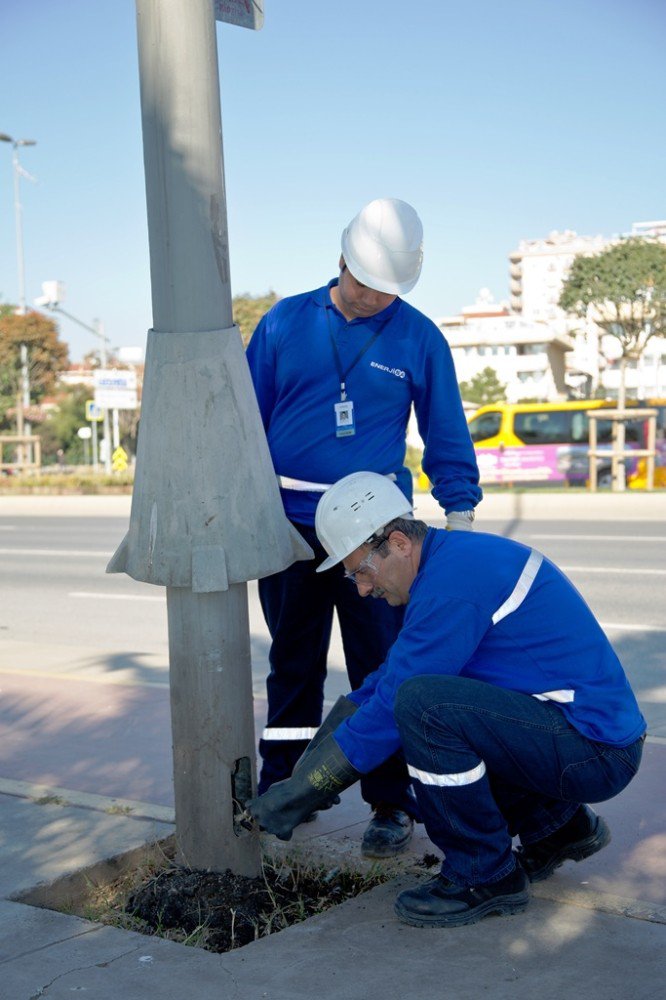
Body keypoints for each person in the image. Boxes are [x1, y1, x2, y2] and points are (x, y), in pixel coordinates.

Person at [247, 471, 647, 928]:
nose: (361, 589)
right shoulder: (450, 564)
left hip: (593, 752)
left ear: (397, 543)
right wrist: (302, 777)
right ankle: (559, 829)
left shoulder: (450, 585)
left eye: (361, 572)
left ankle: (484, 874)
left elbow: (396, 701)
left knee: (424, 709)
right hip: (578, 735)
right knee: (429, 702)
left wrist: (305, 791)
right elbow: (383, 681)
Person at [246, 198, 481, 857]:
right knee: (292, 664)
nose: (378, 297)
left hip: (378, 540)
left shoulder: (418, 336)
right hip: (288, 531)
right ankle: (285, 786)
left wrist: (458, 514)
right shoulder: (284, 323)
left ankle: (390, 803)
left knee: (382, 668)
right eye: (367, 282)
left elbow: (445, 432)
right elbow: (244, 424)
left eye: (390, 288)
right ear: (342, 259)